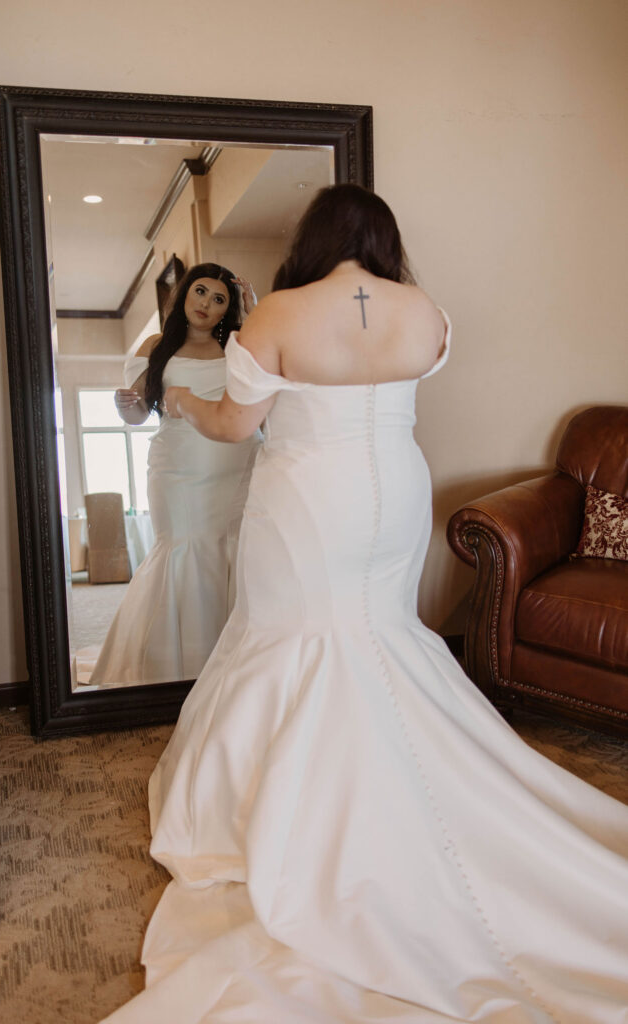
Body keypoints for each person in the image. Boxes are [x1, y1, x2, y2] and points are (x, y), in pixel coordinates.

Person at [100, 187, 628, 1021]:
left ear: (315, 237)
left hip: (310, 496)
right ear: (383, 237)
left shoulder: (279, 310)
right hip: (393, 494)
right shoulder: (424, 311)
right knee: (379, 636)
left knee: (295, 637)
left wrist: (190, 402)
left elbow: (240, 426)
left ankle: (306, 806)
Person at [88, 263, 260, 687]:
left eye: (220, 299)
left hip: (237, 461)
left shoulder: (239, 345)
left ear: (227, 310)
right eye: (201, 292)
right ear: (184, 294)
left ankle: (230, 672)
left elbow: (262, 387)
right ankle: (176, 672)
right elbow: (138, 414)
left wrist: (254, 317)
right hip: (177, 467)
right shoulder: (156, 345)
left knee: (232, 551)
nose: (206, 303)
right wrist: (123, 406)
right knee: (183, 547)